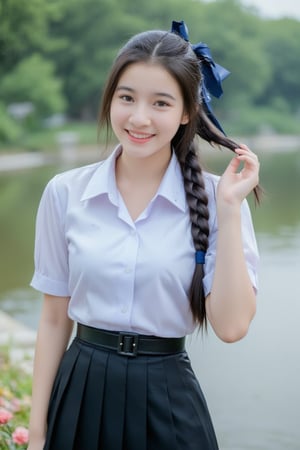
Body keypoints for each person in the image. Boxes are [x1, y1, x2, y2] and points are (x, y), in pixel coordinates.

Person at [28, 20, 260, 450]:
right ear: (110, 98)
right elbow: (54, 318)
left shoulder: (219, 198)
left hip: (168, 399)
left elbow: (231, 327)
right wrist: (38, 433)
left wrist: (228, 211)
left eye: (160, 103)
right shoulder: (65, 192)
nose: (139, 118)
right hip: (81, 390)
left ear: (188, 111)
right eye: (127, 98)